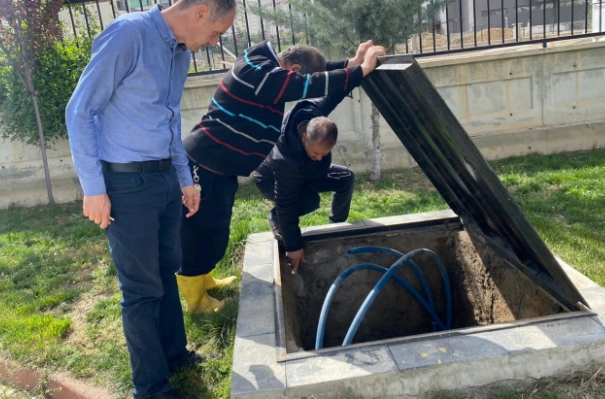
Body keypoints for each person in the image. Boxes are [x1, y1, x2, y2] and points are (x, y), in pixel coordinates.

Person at [65, 1, 236, 398]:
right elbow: (80, 110)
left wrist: (184, 180)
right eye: (216, 33)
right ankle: (151, 387)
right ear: (200, 11)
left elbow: (170, 119)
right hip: (125, 185)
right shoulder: (129, 35)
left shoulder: (177, 52)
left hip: (162, 181)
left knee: (165, 271)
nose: (214, 43)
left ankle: (175, 356)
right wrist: (94, 188)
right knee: (141, 289)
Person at [177, 39, 384, 313]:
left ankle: (205, 280)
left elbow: (311, 82)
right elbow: (306, 85)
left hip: (221, 168)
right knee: (198, 232)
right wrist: (359, 71)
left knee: (214, 230)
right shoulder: (258, 73)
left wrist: (350, 64)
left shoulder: (264, 68)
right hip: (203, 164)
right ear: (293, 68)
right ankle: (195, 302)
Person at [252, 43, 383, 273]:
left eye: (323, 155)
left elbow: (337, 89)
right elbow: (287, 202)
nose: (318, 158)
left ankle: (337, 226)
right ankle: (275, 218)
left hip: (305, 174)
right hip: (271, 178)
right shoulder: (287, 158)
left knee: (345, 178)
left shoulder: (315, 113)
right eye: (315, 153)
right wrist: (293, 246)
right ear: (304, 139)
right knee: (308, 201)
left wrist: (361, 66)